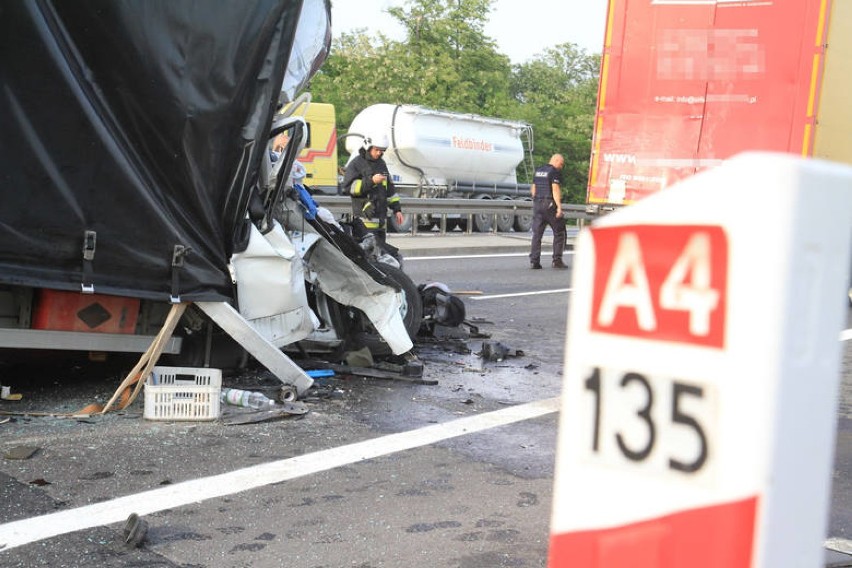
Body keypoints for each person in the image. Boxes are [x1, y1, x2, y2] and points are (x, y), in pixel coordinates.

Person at [341, 134, 404, 245]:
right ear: (368, 147)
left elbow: (389, 189)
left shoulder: (381, 164)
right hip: (364, 222)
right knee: (366, 255)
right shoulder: (356, 164)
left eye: (382, 151)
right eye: (377, 150)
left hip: (381, 222)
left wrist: (397, 209)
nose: (379, 153)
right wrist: (371, 181)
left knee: (381, 254)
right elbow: (348, 187)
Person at [529, 153, 567, 269]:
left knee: (537, 234)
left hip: (538, 204)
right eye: (561, 164)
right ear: (555, 160)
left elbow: (533, 189)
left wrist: (536, 200)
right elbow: (555, 189)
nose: (561, 166)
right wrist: (559, 207)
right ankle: (557, 260)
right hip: (549, 204)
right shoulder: (554, 172)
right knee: (559, 232)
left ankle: (534, 261)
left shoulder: (538, 170)